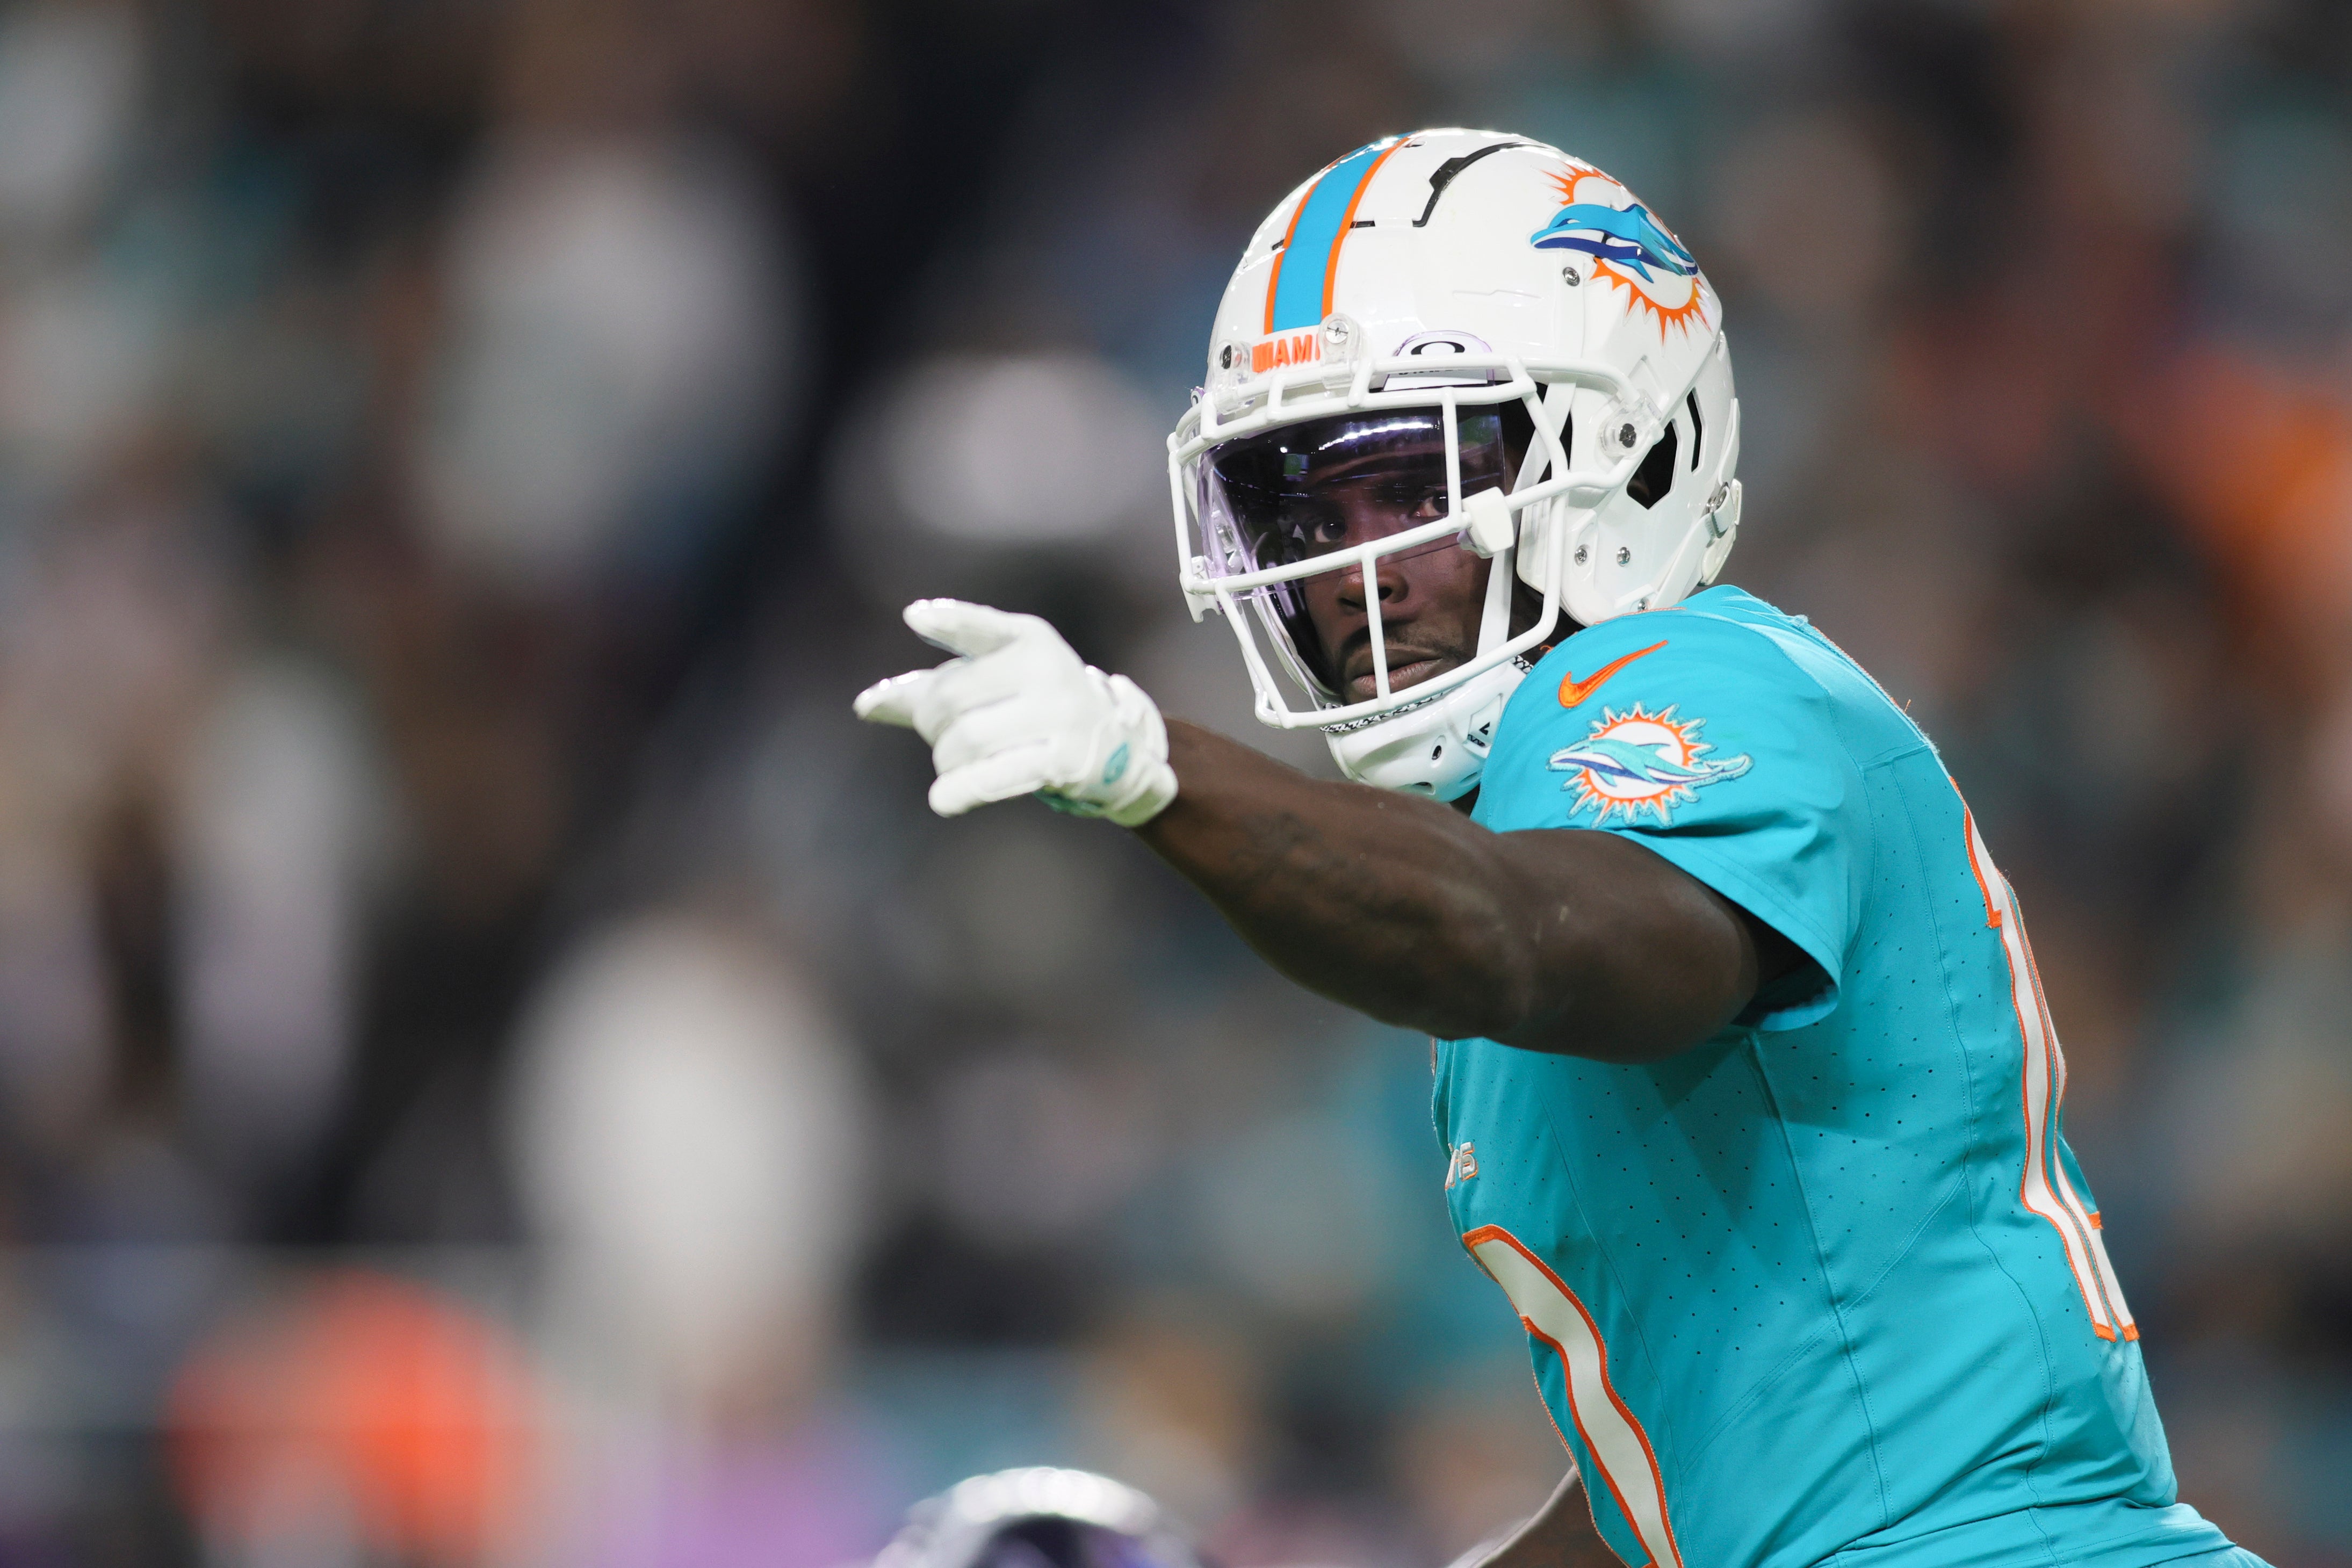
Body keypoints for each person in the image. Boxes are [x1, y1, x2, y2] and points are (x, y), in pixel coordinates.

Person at [856, 131, 2259, 1568]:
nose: (1354, 567)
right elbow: (1682, 1499)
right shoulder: (1514, 835)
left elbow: (1530, 938)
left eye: (1416, 487)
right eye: (1303, 507)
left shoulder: (1692, 677)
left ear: (1626, 450)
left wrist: (1150, 766)